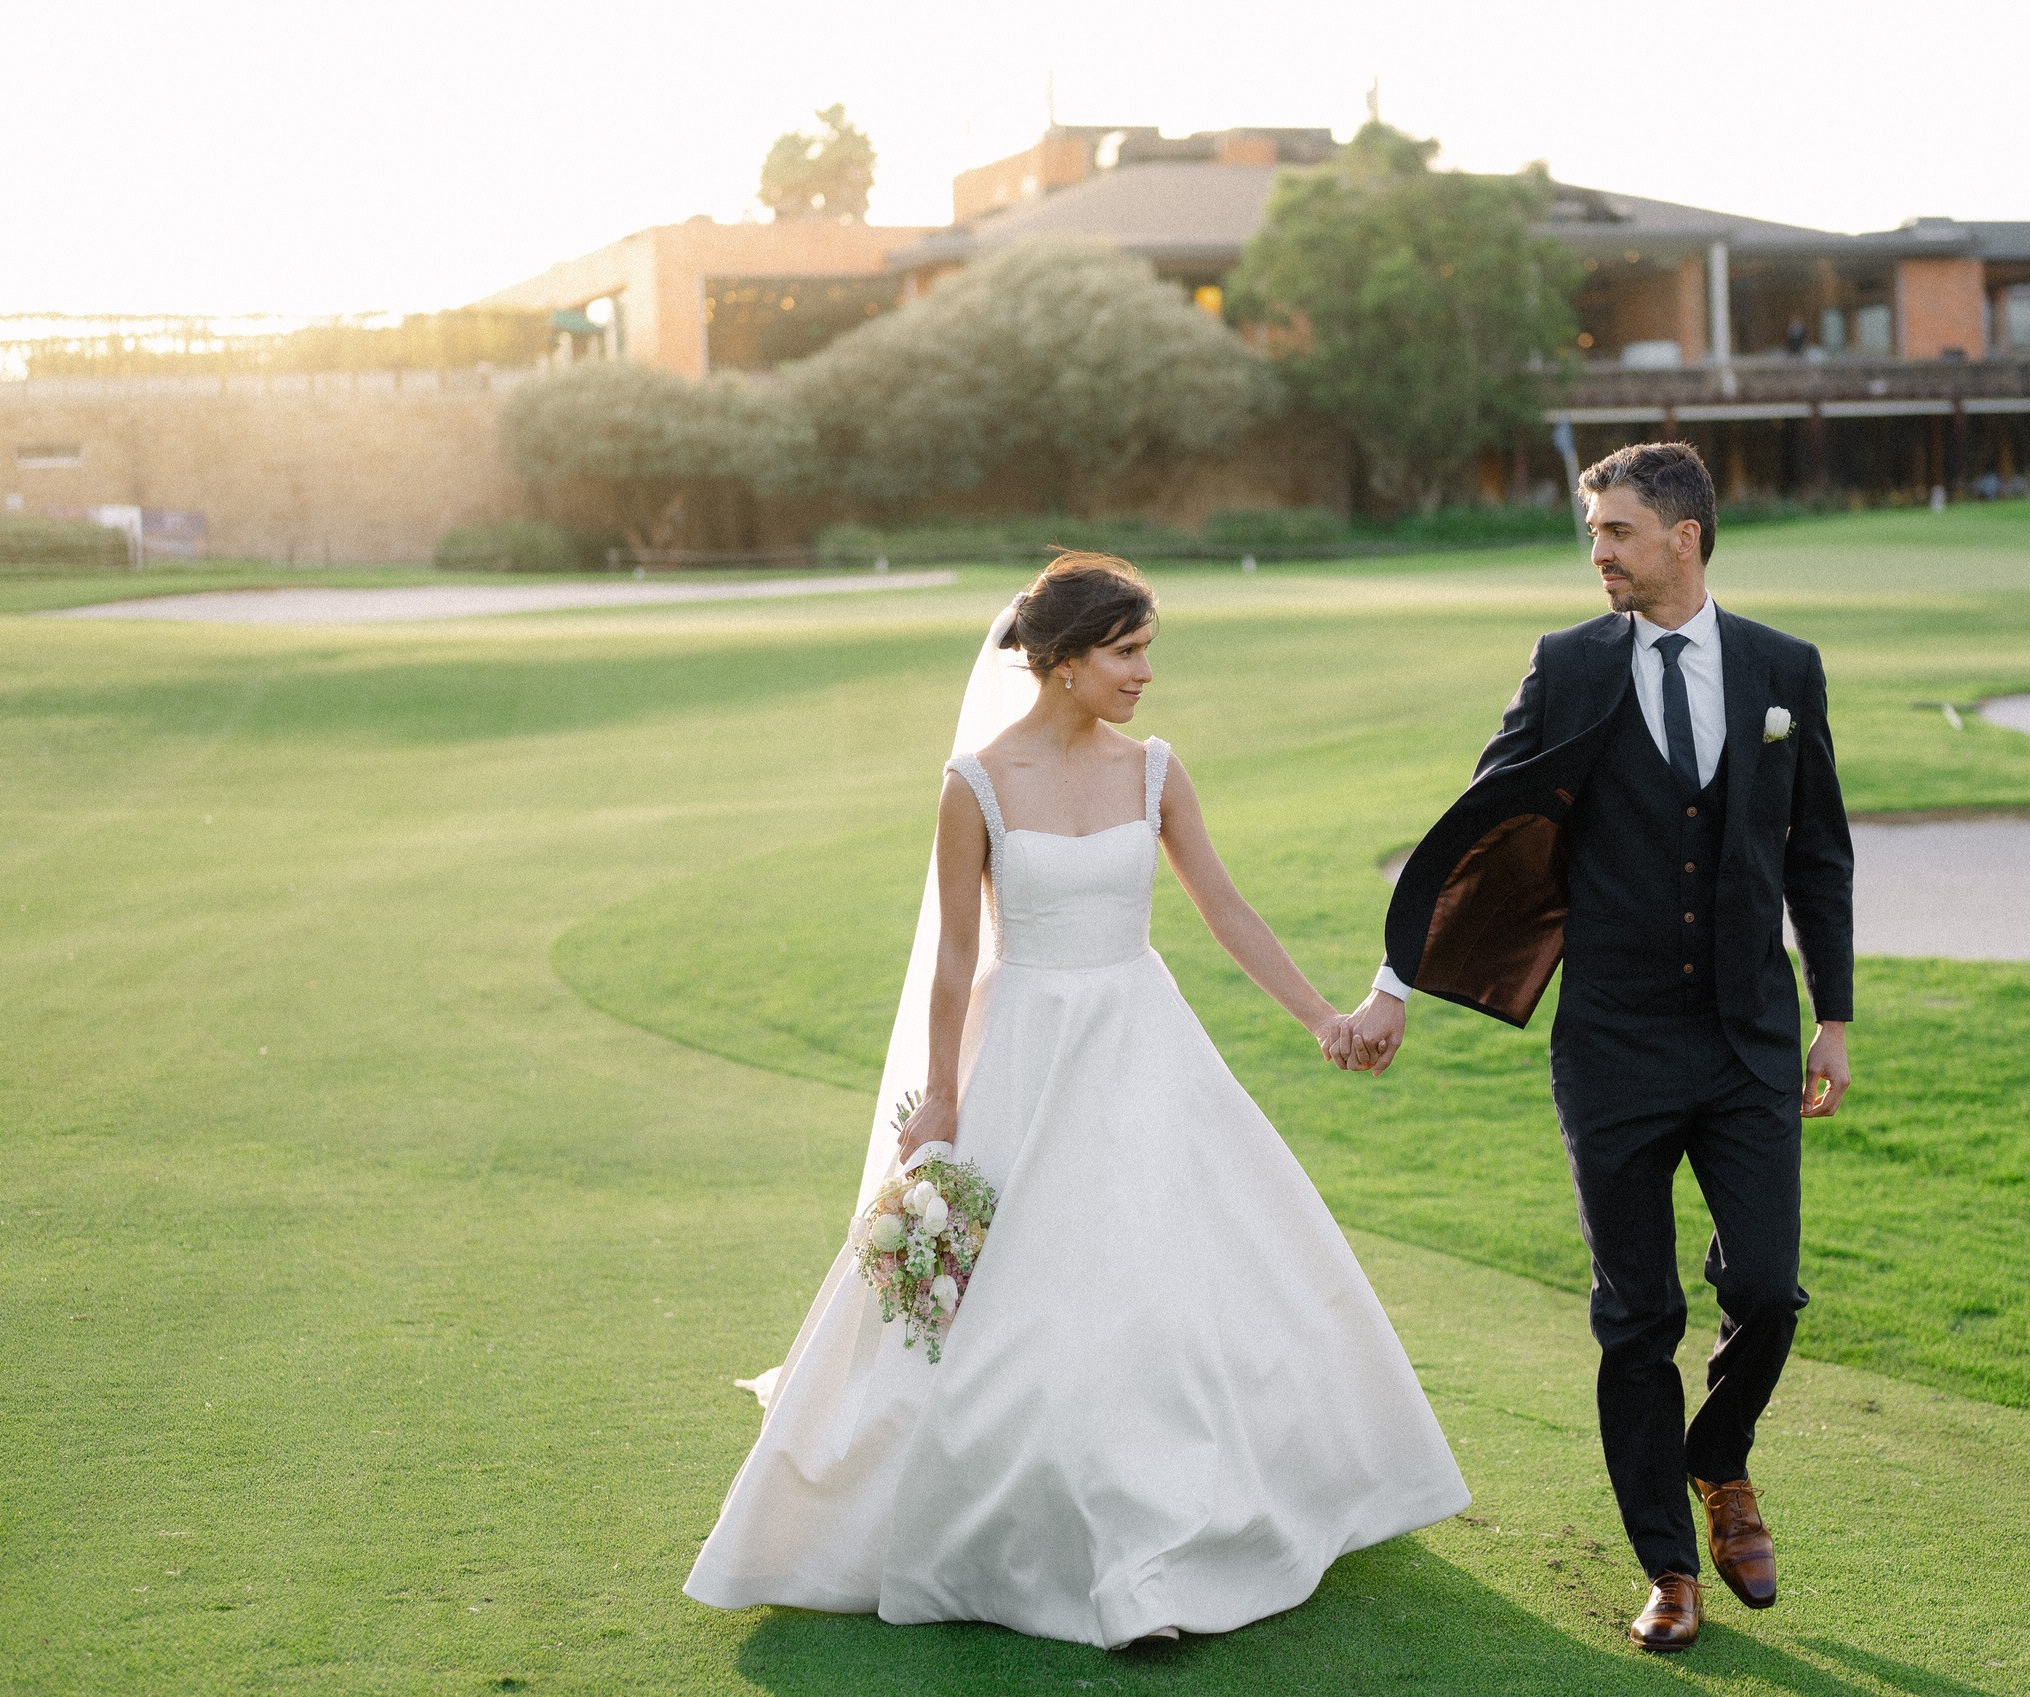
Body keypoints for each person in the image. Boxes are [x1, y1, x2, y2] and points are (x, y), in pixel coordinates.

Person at [685, 553, 1467, 1649]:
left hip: (1143, 1042)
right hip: (1024, 1052)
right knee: (1024, 1292)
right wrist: (944, 1099)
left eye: (1148, 649)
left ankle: (1171, 1528)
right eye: (1126, 650)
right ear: (1059, 662)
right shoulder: (975, 784)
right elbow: (957, 960)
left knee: (1162, 1270)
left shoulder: (1154, 770)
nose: (1145, 672)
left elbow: (1228, 911)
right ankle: (1034, 1527)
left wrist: (1323, 1017)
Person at [1336, 441, 1854, 1653]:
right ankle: (1669, 1564)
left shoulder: (1784, 668)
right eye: (1593, 533)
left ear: (1684, 535)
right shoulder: (1569, 664)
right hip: (1612, 1041)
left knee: (1767, 1287)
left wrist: (1832, 1013)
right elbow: (1482, 819)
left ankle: (1716, 1459)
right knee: (1637, 1311)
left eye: (1616, 531)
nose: (1599, 554)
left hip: (1747, 1040)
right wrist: (1393, 981)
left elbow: (1817, 851)